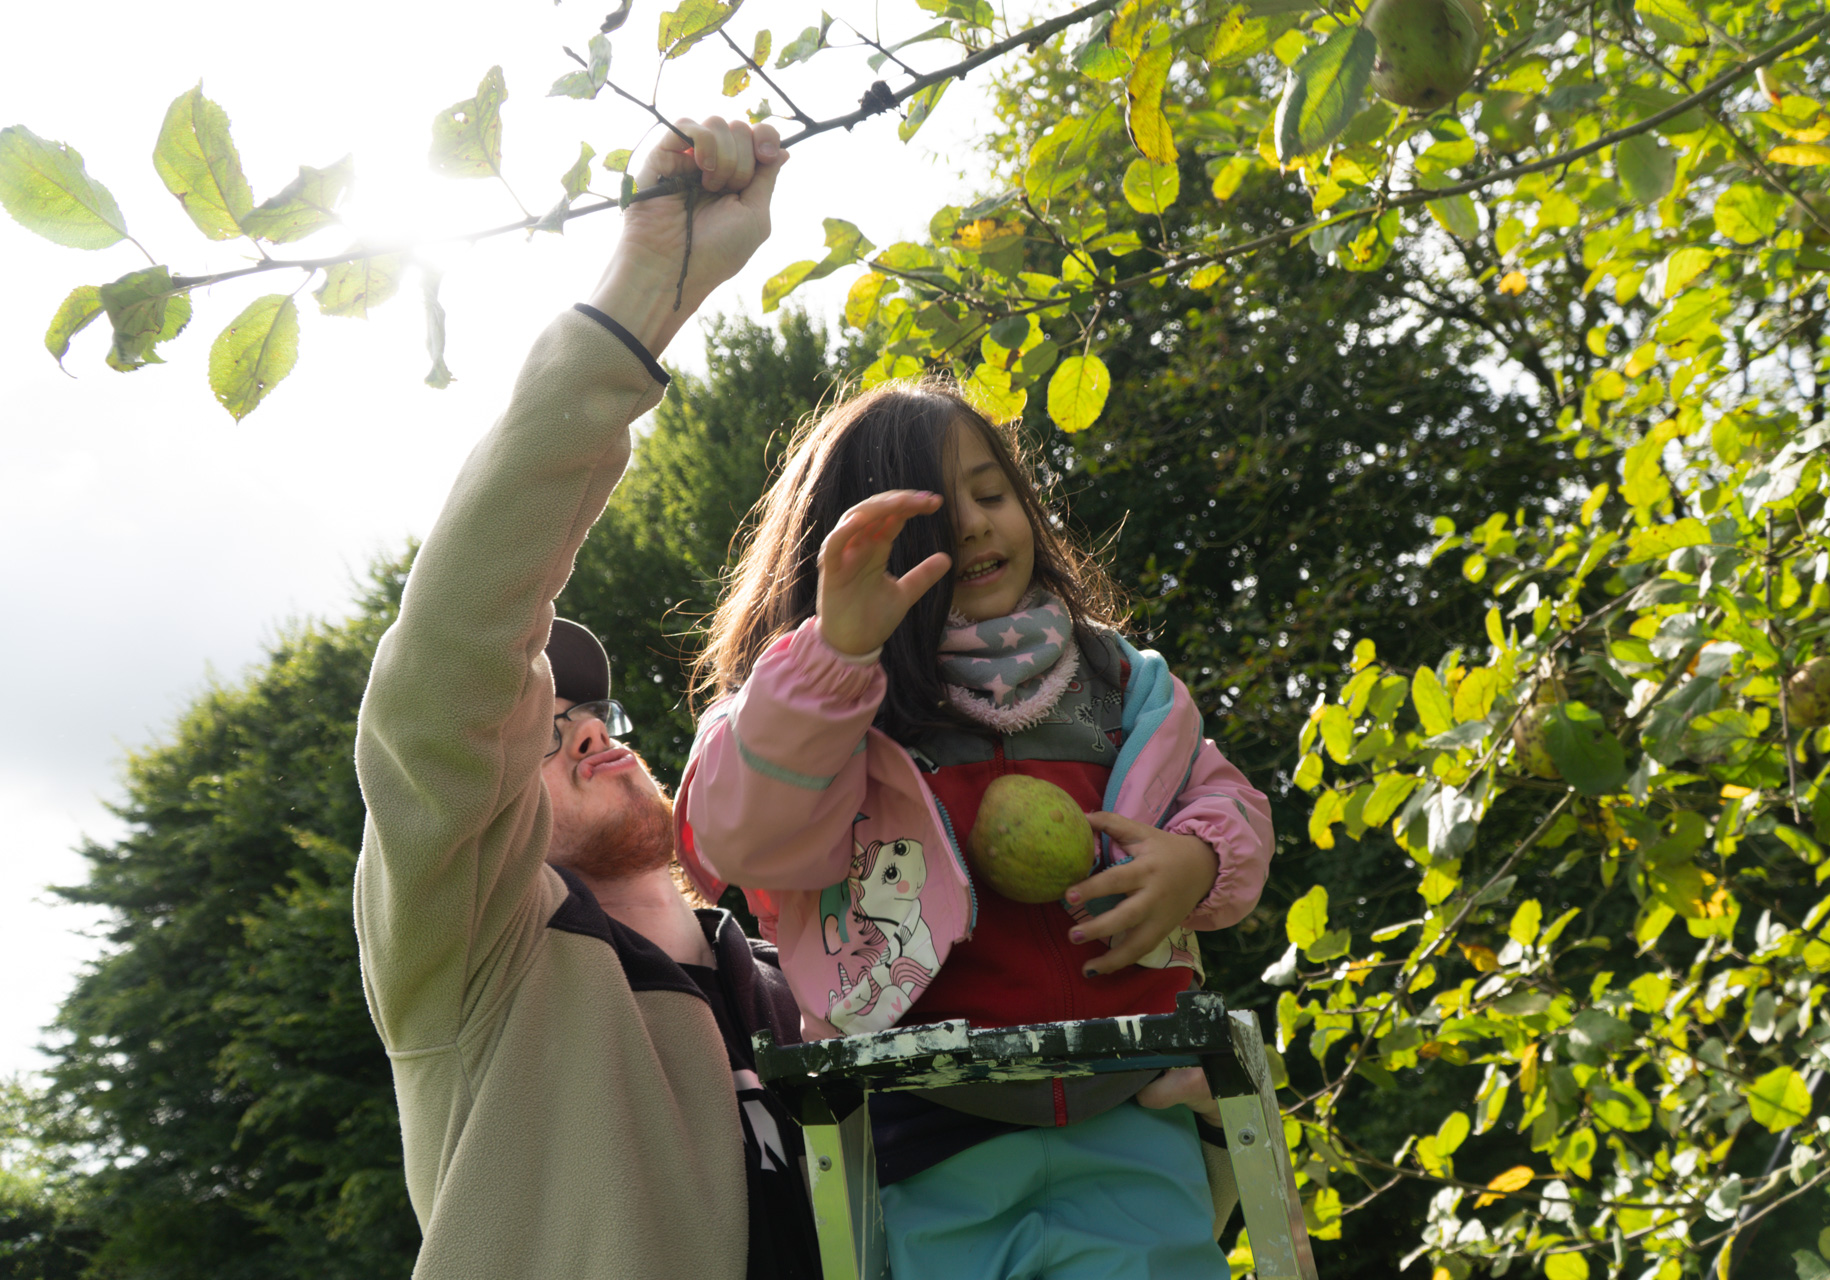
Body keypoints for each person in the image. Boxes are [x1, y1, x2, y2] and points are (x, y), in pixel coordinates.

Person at [353, 117, 817, 1280]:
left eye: (593, 718)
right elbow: (445, 673)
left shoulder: (807, 976)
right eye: (544, 731)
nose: (590, 732)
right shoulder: (475, 961)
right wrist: (641, 298)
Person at [674, 382, 1276, 1279]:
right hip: (926, 1129)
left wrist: (1194, 862)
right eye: (935, 519)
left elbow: (1224, 800)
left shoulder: (1117, 681)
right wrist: (838, 657)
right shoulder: (825, 709)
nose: (977, 529)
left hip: (1132, 1101)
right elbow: (736, 835)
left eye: (992, 495)